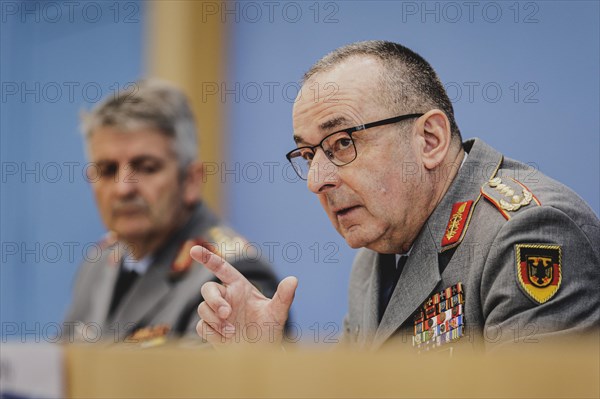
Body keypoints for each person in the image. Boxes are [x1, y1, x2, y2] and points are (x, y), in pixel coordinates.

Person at [193, 41, 599, 350]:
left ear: (429, 139)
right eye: (307, 154)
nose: (315, 180)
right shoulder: (376, 254)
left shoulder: (527, 234)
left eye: (341, 143)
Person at [65, 79, 279, 343]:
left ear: (190, 180)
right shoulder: (97, 264)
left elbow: (211, 384)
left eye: (146, 167)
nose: (123, 189)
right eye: (107, 170)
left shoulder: (229, 275)